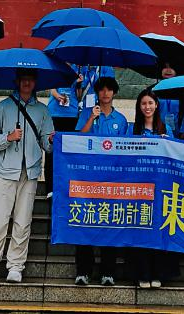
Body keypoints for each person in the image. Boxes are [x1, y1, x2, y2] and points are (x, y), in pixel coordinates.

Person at [0, 70, 54, 284]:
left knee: (22, 222)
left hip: (30, 172)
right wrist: (8, 138)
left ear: (35, 82)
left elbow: (47, 144)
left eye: (30, 79)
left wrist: (53, 141)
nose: (27, 82)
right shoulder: (3, 107)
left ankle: (16, 266)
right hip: (5, 172)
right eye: (23, 79)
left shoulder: (43, 110)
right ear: (17, 82)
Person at [75, 77, 128, 286]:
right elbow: (78, 137)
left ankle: (108, 272)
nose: (105, 93)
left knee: (110, 223)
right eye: (102, 90)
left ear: (114, 93)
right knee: (85, 222)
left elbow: (125, 148)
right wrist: (91, 118)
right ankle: (83, 272)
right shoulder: (88, 114)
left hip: (112, 180)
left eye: (109, 90)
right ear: (97, 93)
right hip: (89, 178)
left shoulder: (121, 119)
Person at [129, 90, 177, 289]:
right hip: (140, 189)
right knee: (141, 230)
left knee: (160, 230)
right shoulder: (133, 130)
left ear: (156, 105)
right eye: (143, 104)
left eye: (150, 103)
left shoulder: (166, 129)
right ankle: (142, 274)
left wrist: (168, 143)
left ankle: (159, 274)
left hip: (162, 189)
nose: (147, 107)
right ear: (139, 107)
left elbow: (176, 156)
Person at [44, 61, 82, 199]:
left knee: (69, 151)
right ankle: (50, 188)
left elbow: (78, 95)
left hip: (71, 114)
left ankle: (67, 186)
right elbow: (51, 87)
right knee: (51, 150)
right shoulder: (54, 66)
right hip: (55, 113)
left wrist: (79, 83)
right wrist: (56, 96)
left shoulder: (76, 68)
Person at [155, 62, 181, 137]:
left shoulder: (182, 90)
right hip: (158, 130)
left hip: (177, 130)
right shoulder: (153, 89)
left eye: (171, 67)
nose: (168, 70)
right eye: (165, 67)